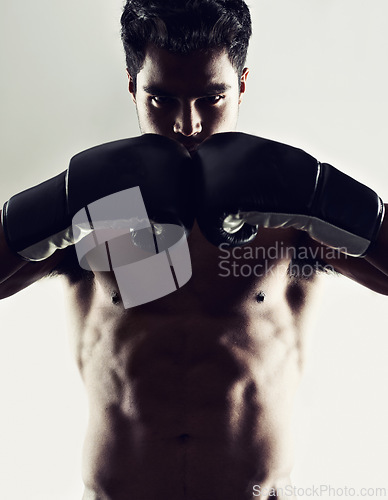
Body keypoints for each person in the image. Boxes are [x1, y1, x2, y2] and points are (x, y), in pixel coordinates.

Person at [0, 1, 387, 499]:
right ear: (131, 86)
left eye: (212, 97)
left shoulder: (291, 219)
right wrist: (60, 202)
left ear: (242, 85)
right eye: (161, 99)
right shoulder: (98, 211)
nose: (188, 124)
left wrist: (325, 196)